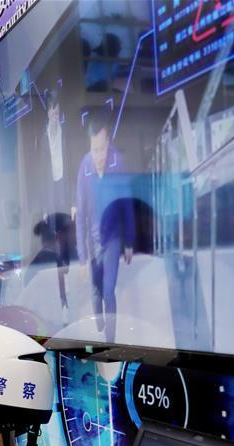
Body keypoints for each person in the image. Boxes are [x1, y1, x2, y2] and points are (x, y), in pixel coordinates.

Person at [75, 111, 135, 343]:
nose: (99, 155)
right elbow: (80, 216)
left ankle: (111, 342)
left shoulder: (118, 163)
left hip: (113, 237)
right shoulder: (84, 167)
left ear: (108, 142)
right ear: (90, 146)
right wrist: (82, 258)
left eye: (102, 149)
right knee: (96, 292)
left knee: (108, 290)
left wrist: (129, 242)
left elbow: (127, 205)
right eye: (95, 150)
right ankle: (100, 324)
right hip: (93, 239)